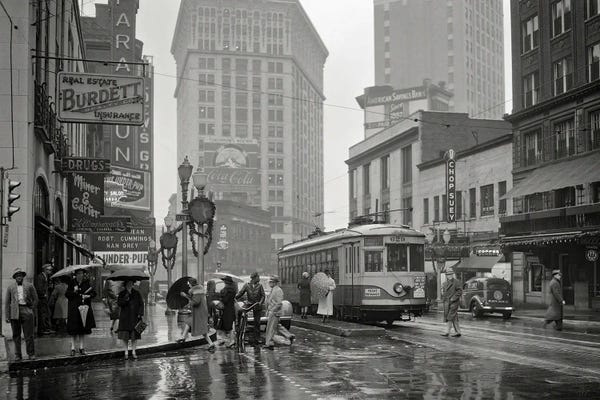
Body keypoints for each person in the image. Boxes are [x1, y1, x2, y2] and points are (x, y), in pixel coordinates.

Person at [4, 268, 38, 361]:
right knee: (16, 335)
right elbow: (7, 302)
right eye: (17, 276)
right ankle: (18, 354)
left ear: (23, 276)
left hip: (26, 309)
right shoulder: (10, 287)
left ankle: (31, 353)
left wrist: (31, 309)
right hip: (15, 311)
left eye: (20, 275)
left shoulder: (29, 286)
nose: (19, 277)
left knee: (29, 334)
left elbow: (36, 299)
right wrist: (7, 316)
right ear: (15, 277)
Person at [66, 268, 96, 356]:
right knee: (73, 329)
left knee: (83, 329)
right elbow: (67, 294)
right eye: (79, 274)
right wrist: (74, 292)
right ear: (76, 275)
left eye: (82, 274)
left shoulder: (86, 283)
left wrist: (88, 296)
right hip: (74, 309)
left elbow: (94, 293)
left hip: (84, 309)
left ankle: (82, 347)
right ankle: (72, 348)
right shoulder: (72, 283)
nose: (80, 275)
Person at [180, 278, 216, 351]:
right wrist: (186, 296)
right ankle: (183, 337)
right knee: (189, 322)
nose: (188, 285)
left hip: (199, 312)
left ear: (191, 284)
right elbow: (194, 299)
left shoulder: (196, 291)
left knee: (202, 329)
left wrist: (187, 299)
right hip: (199, 312)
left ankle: (211, 343)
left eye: (189, 283)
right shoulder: (198, 290)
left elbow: (195, 302)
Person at [264, 275, 294, 349]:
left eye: (271, 282)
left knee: (270, 328)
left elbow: (279, 303)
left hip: (274, 312)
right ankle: (289, 336)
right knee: (277, 326)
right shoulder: (274, 289)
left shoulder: (278, 290)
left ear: (274, 282)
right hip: (273, 311)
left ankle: (269, 343)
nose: (269, 283)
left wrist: (273, 310)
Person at [235, 272, 266, 344]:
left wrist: (260, 302)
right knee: (240, 311)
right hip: (249, 304)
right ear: (254, 278)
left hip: (256, 305)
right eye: (258, 277)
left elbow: (263, 296)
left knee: (257, 322)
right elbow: (240, 293)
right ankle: (238, 326)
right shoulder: (247, 285)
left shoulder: (260, 286)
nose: (259, 279)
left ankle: (257, 338)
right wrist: (234, 297)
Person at [117, 280, 145, 360]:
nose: (129, 285)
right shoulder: (122, 293)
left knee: (134, 336)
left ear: (132, 284)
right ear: (125, 285)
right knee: (125, 336)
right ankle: (126, 352)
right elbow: (119, 303)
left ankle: (133, 352)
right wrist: (125, 298)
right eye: (128, 283)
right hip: (125, 318)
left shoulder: (137, 293)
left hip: (135, 317)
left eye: (131, 283)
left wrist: (140, 313)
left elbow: (141, 303)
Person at [441, 267, 462, 337]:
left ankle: (447, 332)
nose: (449, 276)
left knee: (450, 316)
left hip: (454, 302)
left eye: (450, 274)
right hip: (447, 303)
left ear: (452, 274)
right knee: (454, 317)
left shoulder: (456, 282)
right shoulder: (444, 283)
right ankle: (458, 332)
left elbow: (459, 291)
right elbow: (444, 292)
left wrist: (453, 298)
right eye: (448, 274)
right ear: (446, 275)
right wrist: (443, 298)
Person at [35, 263, 54, 335]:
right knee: (42, 314)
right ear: (45, 270)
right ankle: (42, 330)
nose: (50, 271)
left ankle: (46, 328)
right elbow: (39, 288)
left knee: (46, 313)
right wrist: (43, 294)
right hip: (42, 298)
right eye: (49, 270)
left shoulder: (46, 277)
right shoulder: (40, 277)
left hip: (45, 298)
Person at [220, 276, 238, 347]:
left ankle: (232, 340)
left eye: (224, 281)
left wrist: (221, 297)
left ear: (227, 282)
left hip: (228, 310)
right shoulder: (232, 290)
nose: (224, 283)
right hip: (230, 309)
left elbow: (225, 300)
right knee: (225, 326)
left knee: (229, 326)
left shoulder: (228, 290)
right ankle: (226, 340)